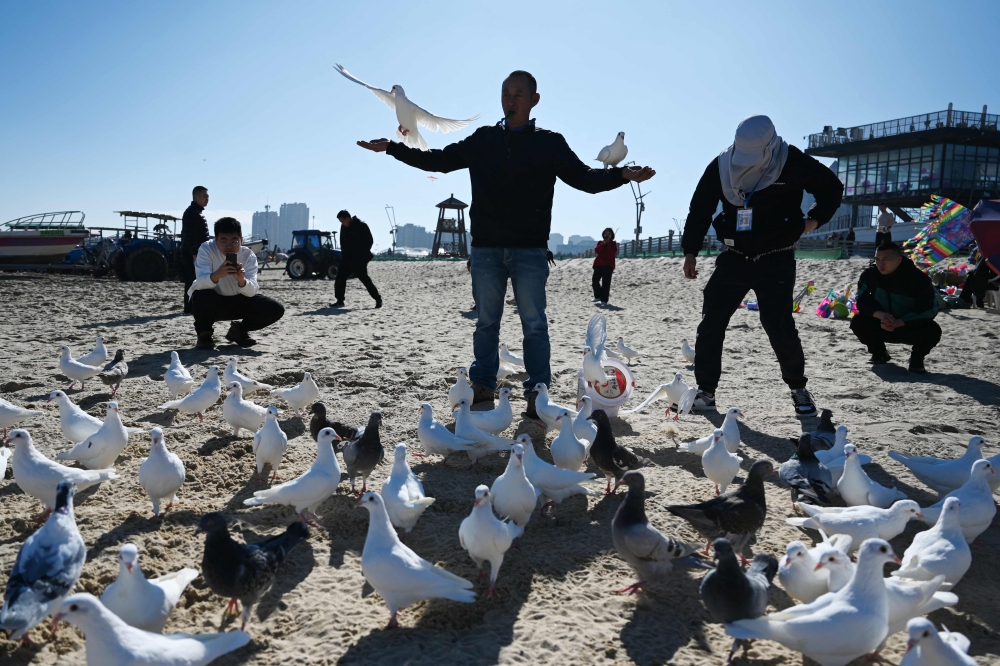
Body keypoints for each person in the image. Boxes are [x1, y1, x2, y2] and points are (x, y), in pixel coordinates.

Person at [356, 70, 654, 416]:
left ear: (534, 100)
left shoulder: (549, 142)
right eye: (505, 94)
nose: (510, 100)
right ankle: (483, 384)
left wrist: (619, 175)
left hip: (529, 250)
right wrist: (393, 148)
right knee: (486, 322)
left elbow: (584, 178)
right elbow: (439, 159)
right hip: (485, 250)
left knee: (535, 323)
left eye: (518, 94)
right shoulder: (483, 140)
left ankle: (537, 392)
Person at [683, 114, 843, 416]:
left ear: (771, 144)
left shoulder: (792, 160)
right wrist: (690, 251)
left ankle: (798, 388)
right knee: (711, 322)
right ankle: (706, 392)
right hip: (734, 256)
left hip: (777, 256)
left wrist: (814, 220)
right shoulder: (721, 165)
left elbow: (831, 187)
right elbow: (700, 207)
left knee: (779, 325)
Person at [187, 217, 285, 350]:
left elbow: (252, 291)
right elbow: (200, 282)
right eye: (223, 240)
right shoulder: (207, 249)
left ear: (242, 240)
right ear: (216, 240)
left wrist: (242, 280)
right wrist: (217, 274)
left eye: (234, 240)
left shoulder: (248, 255)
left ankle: (239, 331)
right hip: (212, 302)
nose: (229, 245)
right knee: (200, 295)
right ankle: (204, 335)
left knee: (275, 308)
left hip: (238, 300)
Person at [851, 242, 940, 373]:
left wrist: (901, 321)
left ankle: (916, 360)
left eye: (885, 259)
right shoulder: (870, 275)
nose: (880, 264)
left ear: (899, 259)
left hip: (908, 325)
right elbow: (861, 300)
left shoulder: (918, 278)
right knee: (858, 321)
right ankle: (880, 353)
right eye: (877, 259)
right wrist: (881, 315)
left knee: (933, 330)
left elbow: (929, 308)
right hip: (882, 323)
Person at [331, 210, 382, 309]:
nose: (342, 223)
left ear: (347, 218)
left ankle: (378, 299)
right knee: (340, 278)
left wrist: (361, 255)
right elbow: (342, 242)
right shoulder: (343, 227)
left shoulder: (362, 226)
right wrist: (344, 255)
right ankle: (340, 301)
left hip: (359, 260)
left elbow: (370, 241)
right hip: (347, 259)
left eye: (342, 221)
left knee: (365, 280)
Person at [180, 186, 210, 313]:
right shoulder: (192, 213)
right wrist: (194, 253)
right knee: (192, 279)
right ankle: (189, 307)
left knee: (195, 279)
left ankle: (192, 306)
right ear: (196, 197)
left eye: (208, 197)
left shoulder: (196, 212)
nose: (207, 199)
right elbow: (189, 234)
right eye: (204, 197)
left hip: (197, 252)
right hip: (193, 253)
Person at [592, 228, 618, 305]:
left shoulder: (613, 244)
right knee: (595, 281)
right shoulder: (600, 242)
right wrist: (603, 244)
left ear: (611, 235)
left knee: (606, 283)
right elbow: (597, 251)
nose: (607, 235)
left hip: (608, 265)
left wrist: (608, 243)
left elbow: (613, 253)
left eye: (609, 234)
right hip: (598, 264)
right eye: (605, 234)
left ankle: (604, 300)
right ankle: (597, 296)